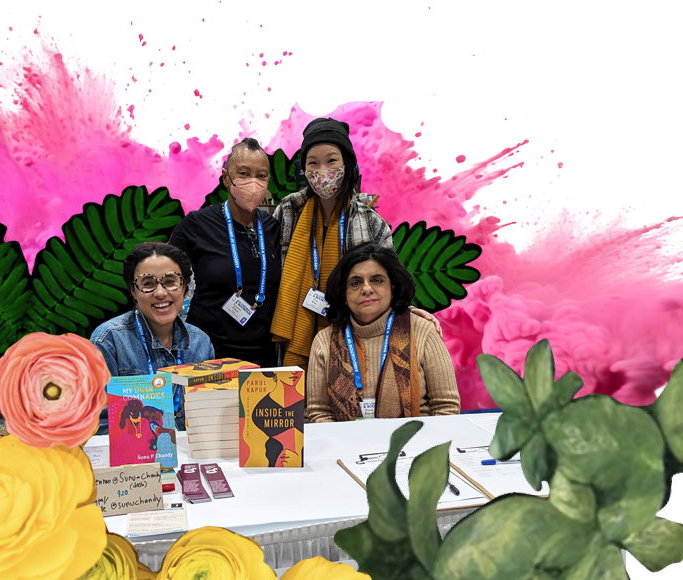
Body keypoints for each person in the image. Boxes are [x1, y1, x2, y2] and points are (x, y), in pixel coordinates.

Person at [271, 117, 440, 368]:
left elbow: (387, 280)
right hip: (296, 329)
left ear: (347, 164)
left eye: (331, 161)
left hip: (352, 334)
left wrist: (410, 309)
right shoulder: (288, 211)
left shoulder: (371, 222)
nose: (322, 171)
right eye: (313, 163)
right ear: (304, 169)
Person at [306, 245, 460, 422]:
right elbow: (319, 413)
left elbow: (447, 408)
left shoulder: (422, 330)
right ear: (343, 295)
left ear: (392, 288)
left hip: (416, 445)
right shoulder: (325, 341)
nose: (366, 289)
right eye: (355, 283)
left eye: (377, 280)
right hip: (347, 446)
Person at [168, 137, 282, 368]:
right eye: (243, 173)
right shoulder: (197, 225)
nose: (253, 182)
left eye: (261, 175)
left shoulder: (273, 228)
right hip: (206, 355)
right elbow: (167, 281)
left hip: (263, 358)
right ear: (226, 177)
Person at [90, 242, 214, 432]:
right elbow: (100, 424)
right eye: (148, 284)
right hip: (133, 455)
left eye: (170, 281)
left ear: (185, 288)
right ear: (133, 291)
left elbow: (208, 417)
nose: (160, 293)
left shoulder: (201, 343)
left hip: (190, 455)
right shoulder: (109, 340)